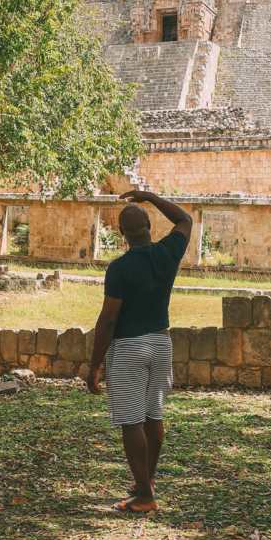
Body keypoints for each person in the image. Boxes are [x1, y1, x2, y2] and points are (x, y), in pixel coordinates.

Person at [87, 187, 193, 514]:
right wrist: (151, 198)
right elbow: (185, 219)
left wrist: (94, 365)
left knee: (131, 422)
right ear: (149, 226)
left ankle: (145, 495)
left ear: (122, 234)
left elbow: (108, 319)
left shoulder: (119, 268)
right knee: (153, 415)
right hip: (161, 343)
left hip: (130, 345)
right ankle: (146, 480)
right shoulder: (168, 252)